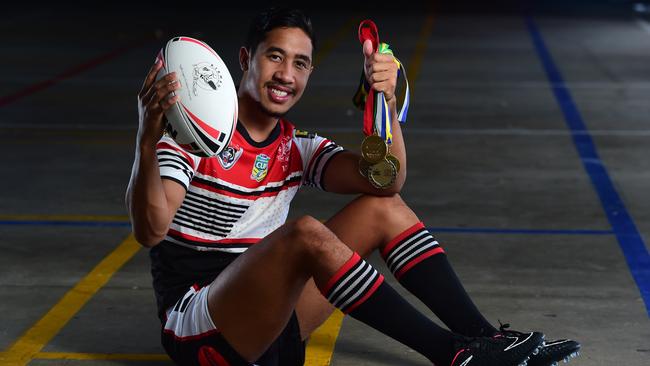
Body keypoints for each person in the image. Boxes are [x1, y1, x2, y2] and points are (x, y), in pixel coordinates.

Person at [126, 6, 580, 366]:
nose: (286, 74)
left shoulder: (295, 146)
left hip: (269, 321)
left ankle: (485, 339)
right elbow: (151, 231)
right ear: (246, 59)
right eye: (275, 56)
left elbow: (387, 181)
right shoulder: (193, 138)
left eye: (300, 63)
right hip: (202, 328)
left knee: (383, 208)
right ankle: (453, 354)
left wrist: (385, 99)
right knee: (305, 233)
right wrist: (148, 141)